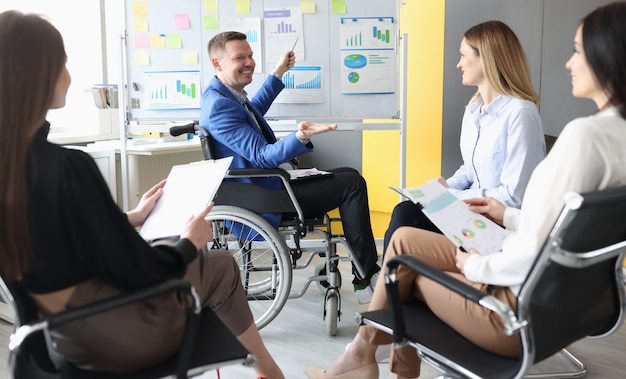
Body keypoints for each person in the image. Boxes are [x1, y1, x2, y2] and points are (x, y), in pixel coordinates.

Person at [305, 2, 626, 378]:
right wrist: (502, 213)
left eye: (576, 50)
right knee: (406, 237)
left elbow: (538, 246)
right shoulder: (613, 137)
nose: (569, 63)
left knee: (399, 271)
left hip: (511, 312)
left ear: (606, 55)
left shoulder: (582, 136)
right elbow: (558, 229)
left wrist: (474, 263)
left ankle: (364, 359)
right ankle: (367, 357)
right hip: (570, 304)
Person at [0, 10, 284, 379]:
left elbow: (53, 237)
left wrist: (129, 218)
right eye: (63, 62)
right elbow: (140, 271)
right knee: (220, 265)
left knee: (179, 249)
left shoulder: (14, 163)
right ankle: (272, 374)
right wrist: (188, 242)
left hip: (55, 336)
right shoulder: (67, 166)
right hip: (116, 335)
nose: (69, 74)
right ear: (40, 74)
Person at [200, 31, 380, 303]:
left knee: (349, 175)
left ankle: (363, 269)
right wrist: (300, 137)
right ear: (217, 63)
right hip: (263, 198)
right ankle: (366, 276)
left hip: (265, 186)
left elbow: (253, 112)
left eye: (250, 55)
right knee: (352, 185)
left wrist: (278, 73)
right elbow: (261, 156)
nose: (249, 62)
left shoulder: (226, 95)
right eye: (240, 57)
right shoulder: (220, 106)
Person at [383, 20, 546, 254]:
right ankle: (392, 284)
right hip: (469, 213)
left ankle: (389, 284)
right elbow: (471, 170)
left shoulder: (520, 114)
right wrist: (447, 187)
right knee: (406, 211)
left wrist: (451, 196)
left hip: (497, 224)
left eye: (462, 55)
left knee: (406, 218)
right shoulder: (473, 110)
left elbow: (513, 197)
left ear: (486, 58)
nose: (458, 64)